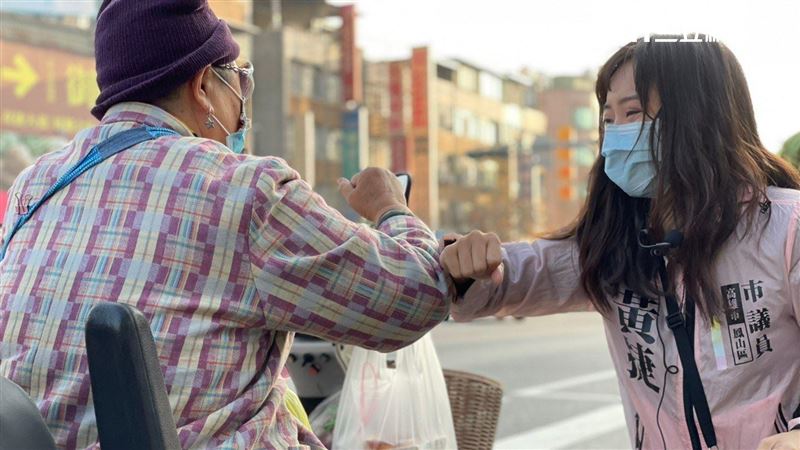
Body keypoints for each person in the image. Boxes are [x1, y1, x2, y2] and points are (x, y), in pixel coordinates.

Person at [0, 1, 451, 449]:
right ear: (202, 85)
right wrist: (392, 209)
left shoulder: (34, 185)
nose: (241, 105)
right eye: (239, 79)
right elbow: (413, 298)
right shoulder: (244, 188)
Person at [441, 34, 800, 450]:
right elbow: (515, 275)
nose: (615, 134)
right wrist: (468, 266)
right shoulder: (614, 243)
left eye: (633, 112)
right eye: (609, 119)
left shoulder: (786, 227)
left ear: (699, 117)